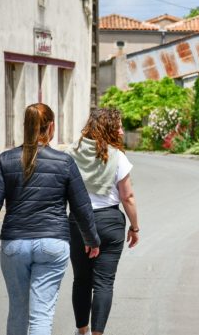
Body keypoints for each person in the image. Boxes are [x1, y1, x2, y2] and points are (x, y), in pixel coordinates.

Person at [0, 103, 100, 335]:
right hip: (53, 243)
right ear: (51, 126)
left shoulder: (5, 160)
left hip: (14, 243)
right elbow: (81, 206)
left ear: (25, 126)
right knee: (41, 315)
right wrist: (91, 239)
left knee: (17, 310)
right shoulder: (64, 162)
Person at [66, 108, 140, 335]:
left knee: (81, 280)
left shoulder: (71, 153)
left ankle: (82, 330)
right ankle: (97, 333)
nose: (121, 130)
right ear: (107, 128)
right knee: (104, 283)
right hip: (109, 222)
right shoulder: (118, 157)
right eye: (117, 125)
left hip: (78, 221)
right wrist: (135, 227)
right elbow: (127, 197)